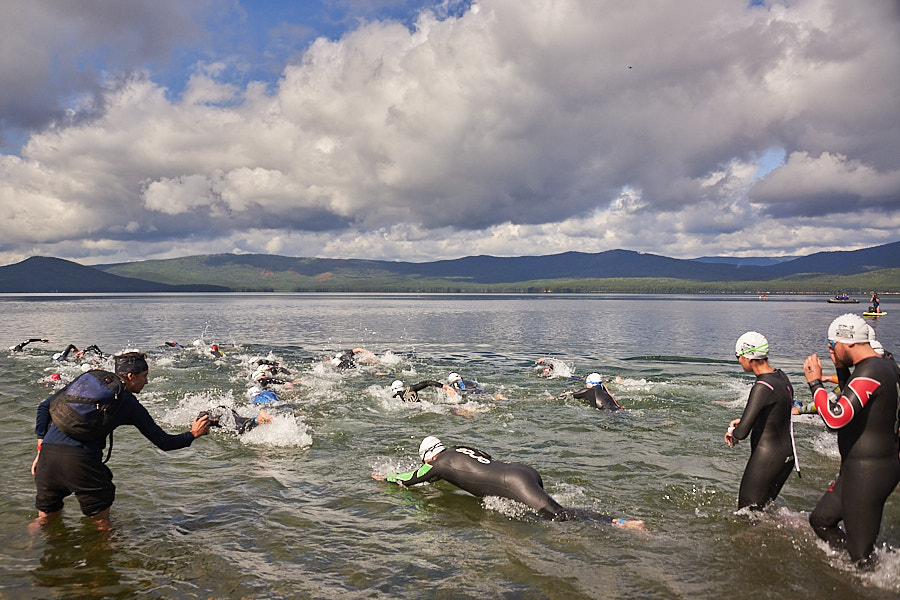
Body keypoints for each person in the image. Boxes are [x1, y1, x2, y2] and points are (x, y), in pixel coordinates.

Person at [31, 351, 211, 531]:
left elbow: (44, 407)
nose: (146, 382)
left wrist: (40, 448)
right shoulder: (126, 401)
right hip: (80, 462)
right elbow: (164, 442)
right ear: (131, 376)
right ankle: (104, 557)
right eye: (144, 376)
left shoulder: (89, 378)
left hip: (47, 457)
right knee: (102, 526)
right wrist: (193, 434)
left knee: (44, 520)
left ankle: (28, 551)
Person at [373, 436, 644, 529]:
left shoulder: (437, 464)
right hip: (521, 471)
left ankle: (620, 523)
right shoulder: (460, 449)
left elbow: (410, 480)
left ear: (428, 457)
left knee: (561, 517)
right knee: (548, 509)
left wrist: (385, 477)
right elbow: (486, 460)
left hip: (513, 483)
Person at [802, 313, 900, 568]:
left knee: (861, 556)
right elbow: (857, 399)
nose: (830, 350)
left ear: (848, 342)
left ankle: (872, 579)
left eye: (832, 346)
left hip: (869, 472)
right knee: (821, 520)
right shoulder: (885, 364)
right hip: (861, 468)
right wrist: (839, 366)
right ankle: (852, 575)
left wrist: (815, 384)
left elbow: (836, 419)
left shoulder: (869, 372)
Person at [723, 332, 799, 510]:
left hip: (767, 458)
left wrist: (733, 431)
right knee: (762, 512)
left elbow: (741, 433)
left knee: (746, 513)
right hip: (786, 457)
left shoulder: (761, 386)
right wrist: (745, 421)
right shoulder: (781, 377)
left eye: (738, 357)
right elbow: (777, 412)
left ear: (748, 357)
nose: (739, 361)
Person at [197, 406, 272, 434]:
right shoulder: (212, 411)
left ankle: (257, 419)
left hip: (224, 414)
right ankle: (258, 418)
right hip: (227, 411)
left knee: (240, 429)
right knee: (238, 421)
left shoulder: (205, 417)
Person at [390, 379, 457, 402]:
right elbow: (427, 382)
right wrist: (444, 387)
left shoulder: (393, 397)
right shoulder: (410, 388)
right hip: (424, 406)